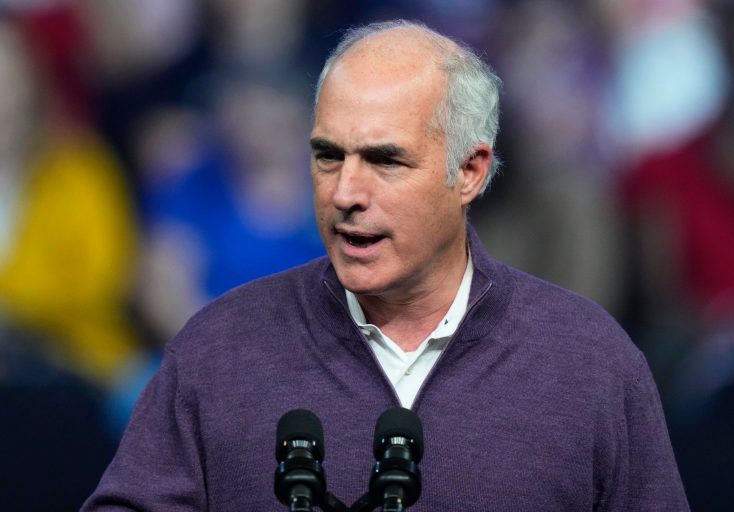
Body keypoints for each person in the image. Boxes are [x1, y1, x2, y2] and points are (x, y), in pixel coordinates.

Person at [82, 20, 689, 511]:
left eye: (385, 160)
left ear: (469, 172)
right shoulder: (219, 347)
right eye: (327, 156)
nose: (346, 191)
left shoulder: (587, 361)